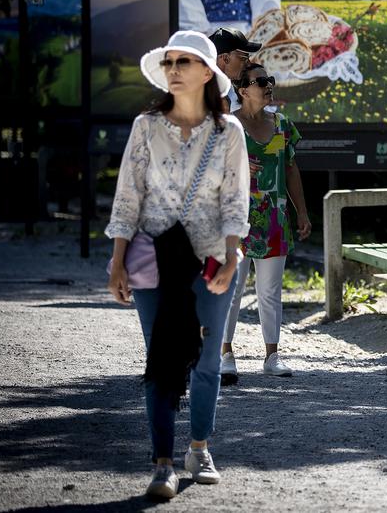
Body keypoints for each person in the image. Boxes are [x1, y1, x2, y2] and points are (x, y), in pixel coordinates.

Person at [105, 30, 250, 500]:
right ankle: (162, 463)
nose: (174, 69)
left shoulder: (230, 132)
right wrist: (117, 260)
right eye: (169, 61)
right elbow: (128, 194)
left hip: (212, 259)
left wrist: (231, 255)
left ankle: (200, 448)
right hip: (151, 257)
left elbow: (235, 198)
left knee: (208, 360)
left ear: (208, 72)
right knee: (161, 357)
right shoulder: (145, 127)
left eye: (184, 61)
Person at [221, 62, 311, 381]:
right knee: (231, 288)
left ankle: (272, 356)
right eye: (261, 81)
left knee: (271, 289)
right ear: (243, 90)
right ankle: (226, 354)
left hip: (274, 217)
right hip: (236, 219)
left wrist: (301, 212)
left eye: (270, 80)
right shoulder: (228, 125)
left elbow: (290, 169)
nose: (268, 85)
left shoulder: (283, 124)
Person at [209, 27, 262, 112]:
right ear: (225, 58)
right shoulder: (204, 89)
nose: (248, 63)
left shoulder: (223, 88)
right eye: (244, 58)